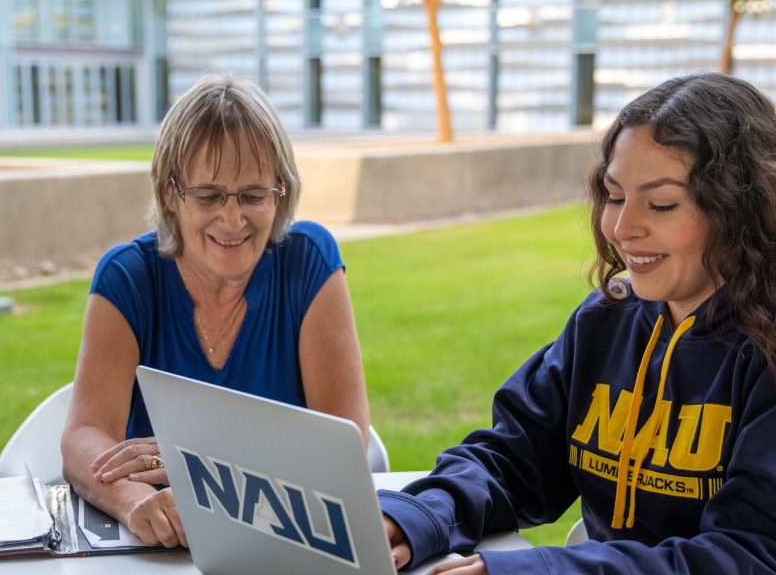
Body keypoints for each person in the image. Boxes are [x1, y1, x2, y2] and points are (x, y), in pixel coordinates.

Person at [379, 72, 776, 574]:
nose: (622, 229)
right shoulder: (605, 320)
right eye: (614, 196)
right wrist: (418, 515)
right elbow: (513, 460)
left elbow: (749, 554)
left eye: (661, 204)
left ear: (740, 209)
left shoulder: (764, 353)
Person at [61, 74, 369, 548]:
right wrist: (132, 500)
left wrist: (196, 460)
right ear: (170, 194)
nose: (232, 219)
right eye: (208, 196)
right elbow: (85, 433)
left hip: (281, 533)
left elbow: (346, 436)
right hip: (163, 536)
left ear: (280, 191)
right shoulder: (127, 277)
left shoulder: (309, 260)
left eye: (253, 195)